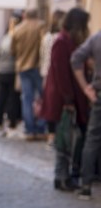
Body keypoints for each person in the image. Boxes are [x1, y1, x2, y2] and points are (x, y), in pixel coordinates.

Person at [40, 8, 90, 192]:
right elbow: (61, 73)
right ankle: (61, 176)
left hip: (67, 96)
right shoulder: (61, 42)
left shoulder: (66, 40)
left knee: (69, 138)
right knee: (65, 138)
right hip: (63, 98)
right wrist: (68, 99)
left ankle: (64, 176)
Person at [70, 16, 101, 200]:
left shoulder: (97, 38)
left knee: (93, 139)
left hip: (99, 94)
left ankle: (86, 185)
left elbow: (75, 58)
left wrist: (85, 87)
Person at [11, 9, 47, 140]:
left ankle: (29, 129)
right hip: (37, 66)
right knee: (44, 97)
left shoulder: (18, 29)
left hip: (22, 67)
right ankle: (41, 126)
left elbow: (12, 50)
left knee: (27, 98)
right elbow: (45, 45)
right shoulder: (41, 25)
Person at [0, 13, 23, 138]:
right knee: (13, 99)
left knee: (2, 98)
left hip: (2, 71)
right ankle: (11, 125)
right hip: (12, 71)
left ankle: (1, 125)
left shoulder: (5, 38)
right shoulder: (17, 37)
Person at [40, 9, 66, 146]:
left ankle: (51, 136)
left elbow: (43, 57)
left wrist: (43, 75)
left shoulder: (47, 37)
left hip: (47, 73)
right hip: (55, 73)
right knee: (58, 105)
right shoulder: (62, 38)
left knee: (50, 105)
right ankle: (57, 135)